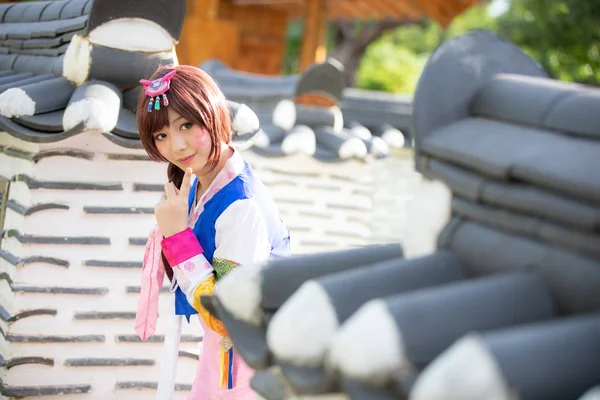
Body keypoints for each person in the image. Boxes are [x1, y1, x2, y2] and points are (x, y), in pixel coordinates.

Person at [133, 64, 290, 399]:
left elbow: (225, 312)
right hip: (223, 353)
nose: (175, 146)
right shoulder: (204, 180)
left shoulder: (240, 206)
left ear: (213, 114)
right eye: (161, 135)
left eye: (186, 125)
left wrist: (177, 237)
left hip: (251, 358)